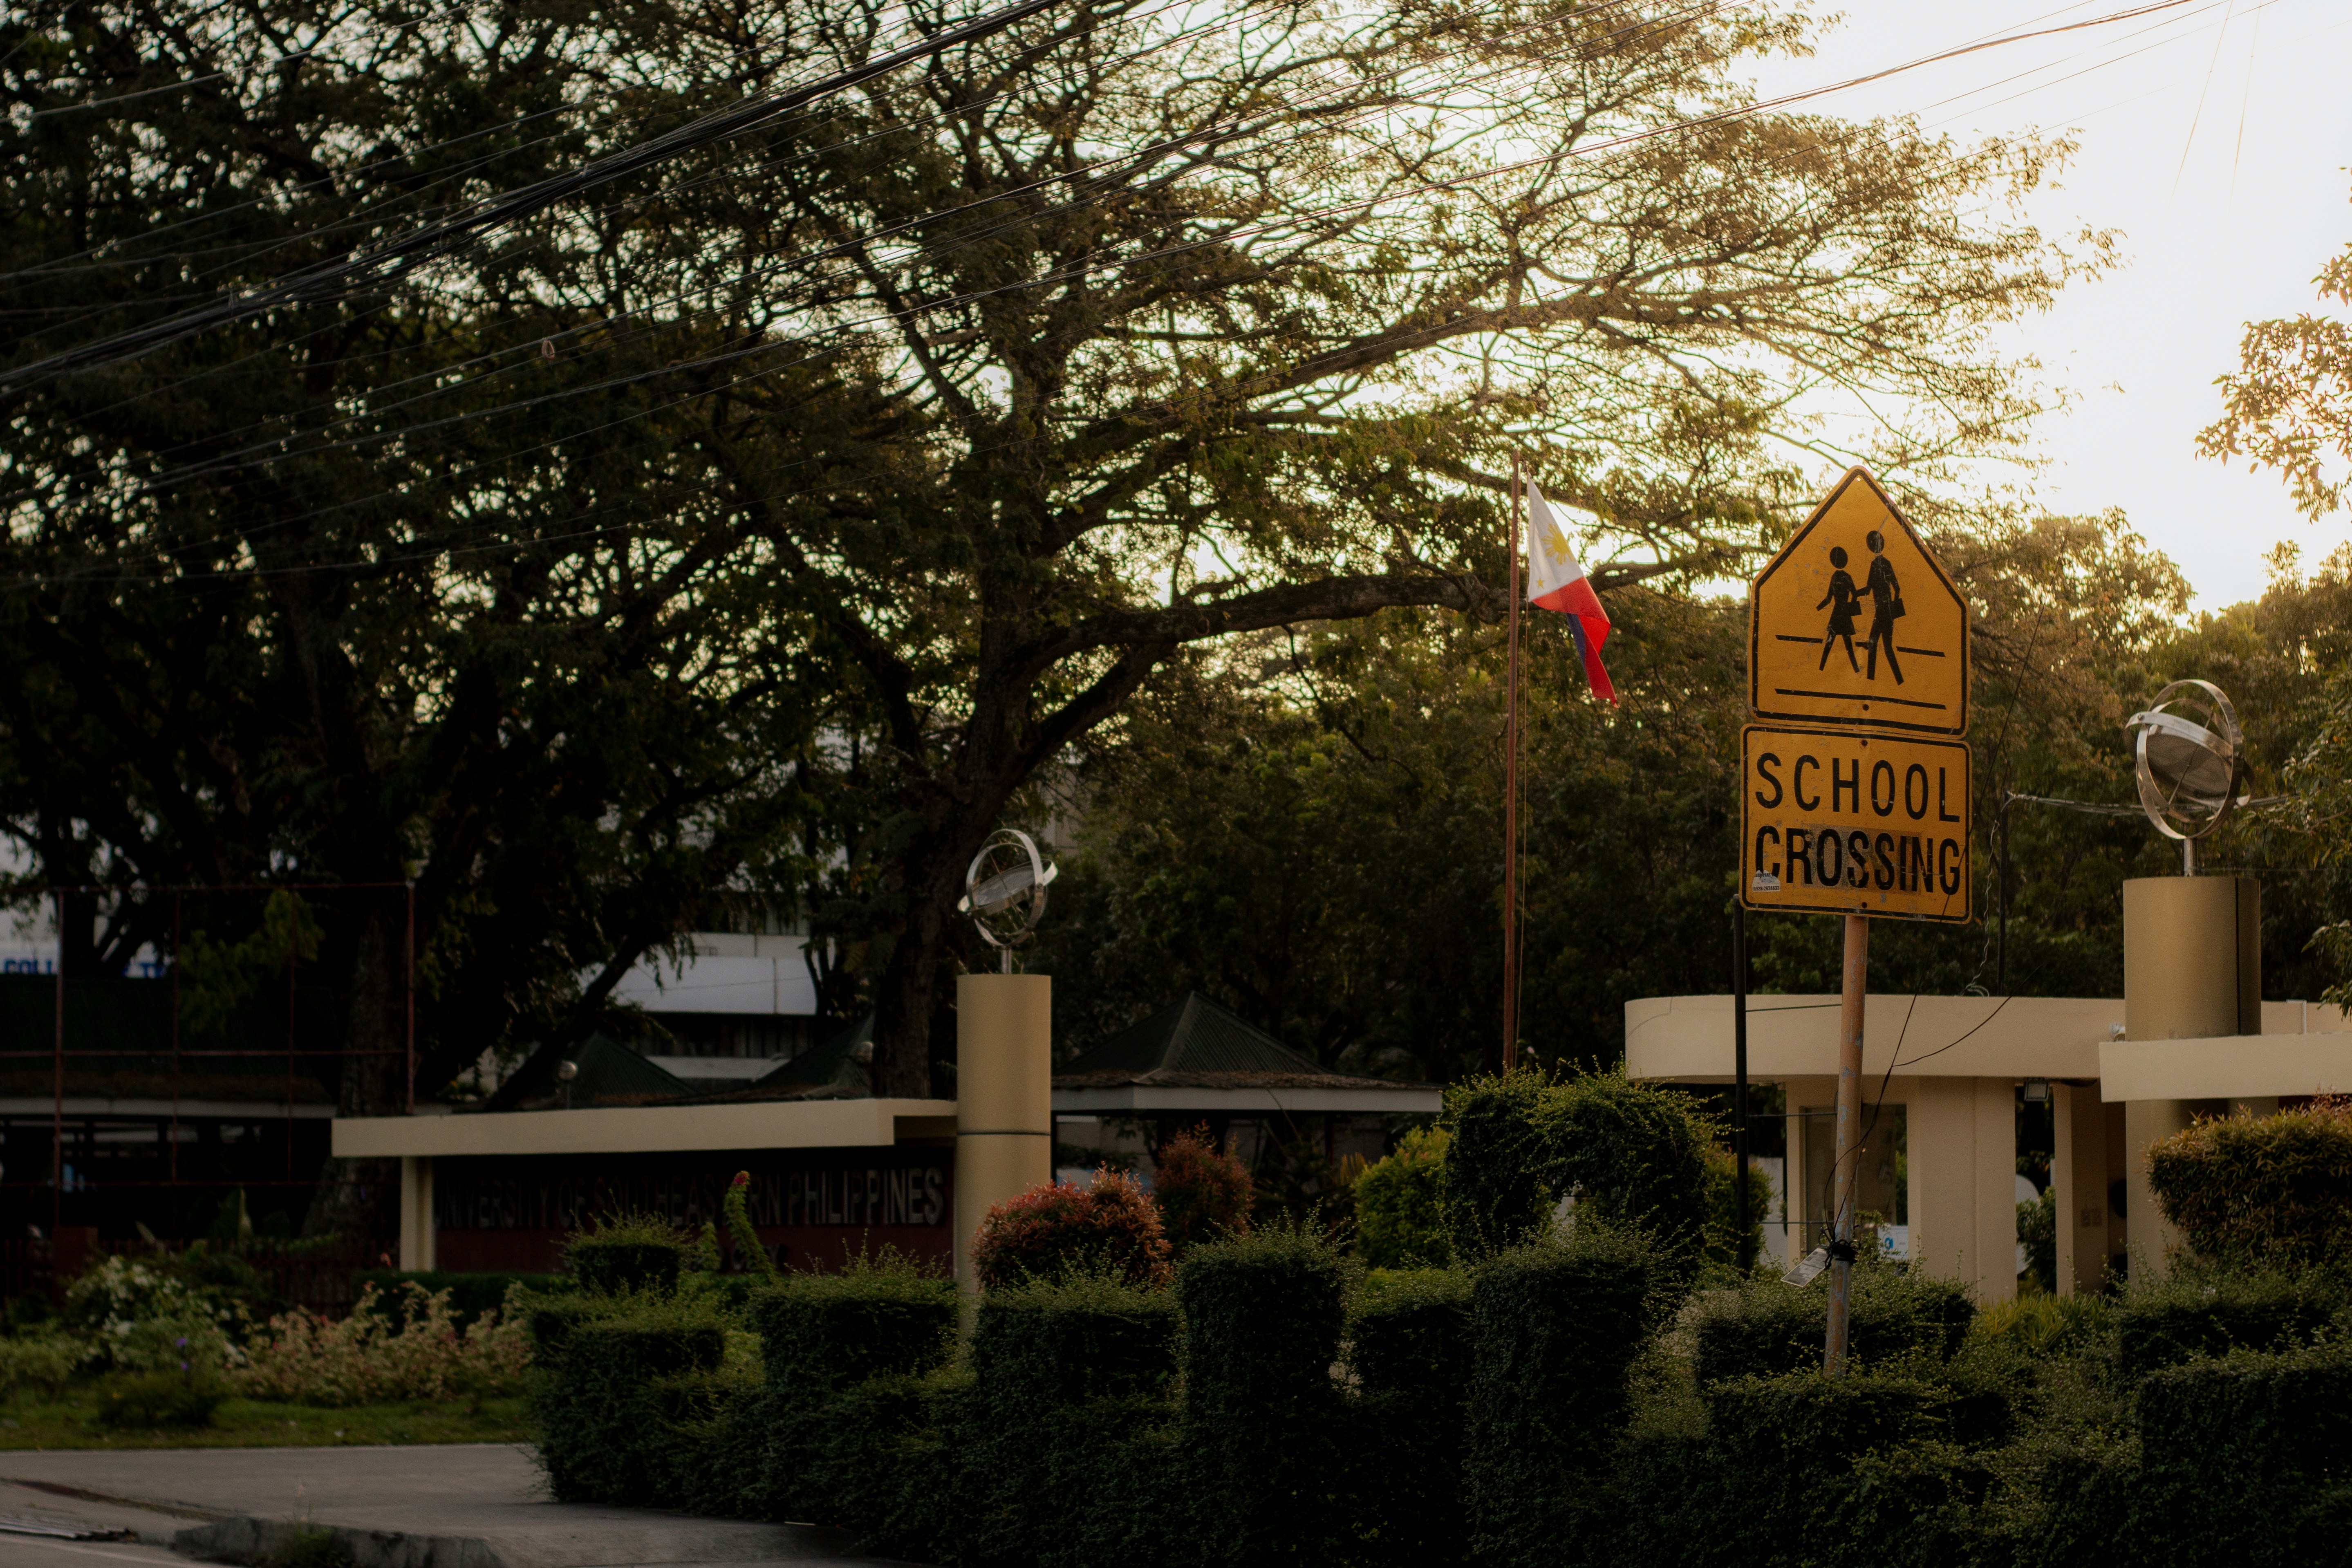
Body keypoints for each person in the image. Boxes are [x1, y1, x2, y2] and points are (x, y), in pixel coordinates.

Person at [1863, 530, 1904, 684]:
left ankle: (1870, 681)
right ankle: (1897, 680)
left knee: (1875, 645)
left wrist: (1853, 593)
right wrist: (1893, 607)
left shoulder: (1875, 565)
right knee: (1884, 647)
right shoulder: (1887, 563)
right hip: (1887, 611)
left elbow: (1867, 590)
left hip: (1881, 610)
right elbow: (1897, 588)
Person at [1816, 546, 1860, 671]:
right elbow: (1855, 594)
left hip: (1838, 614)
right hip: (1844, 614)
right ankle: (1856, 669)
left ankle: (1821, 668)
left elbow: (1829, 599)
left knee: (1831, 643)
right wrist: (1851, 606)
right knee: (1845, 645)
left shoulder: (1835, 577)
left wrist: (1818, 608)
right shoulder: (1845, 576)